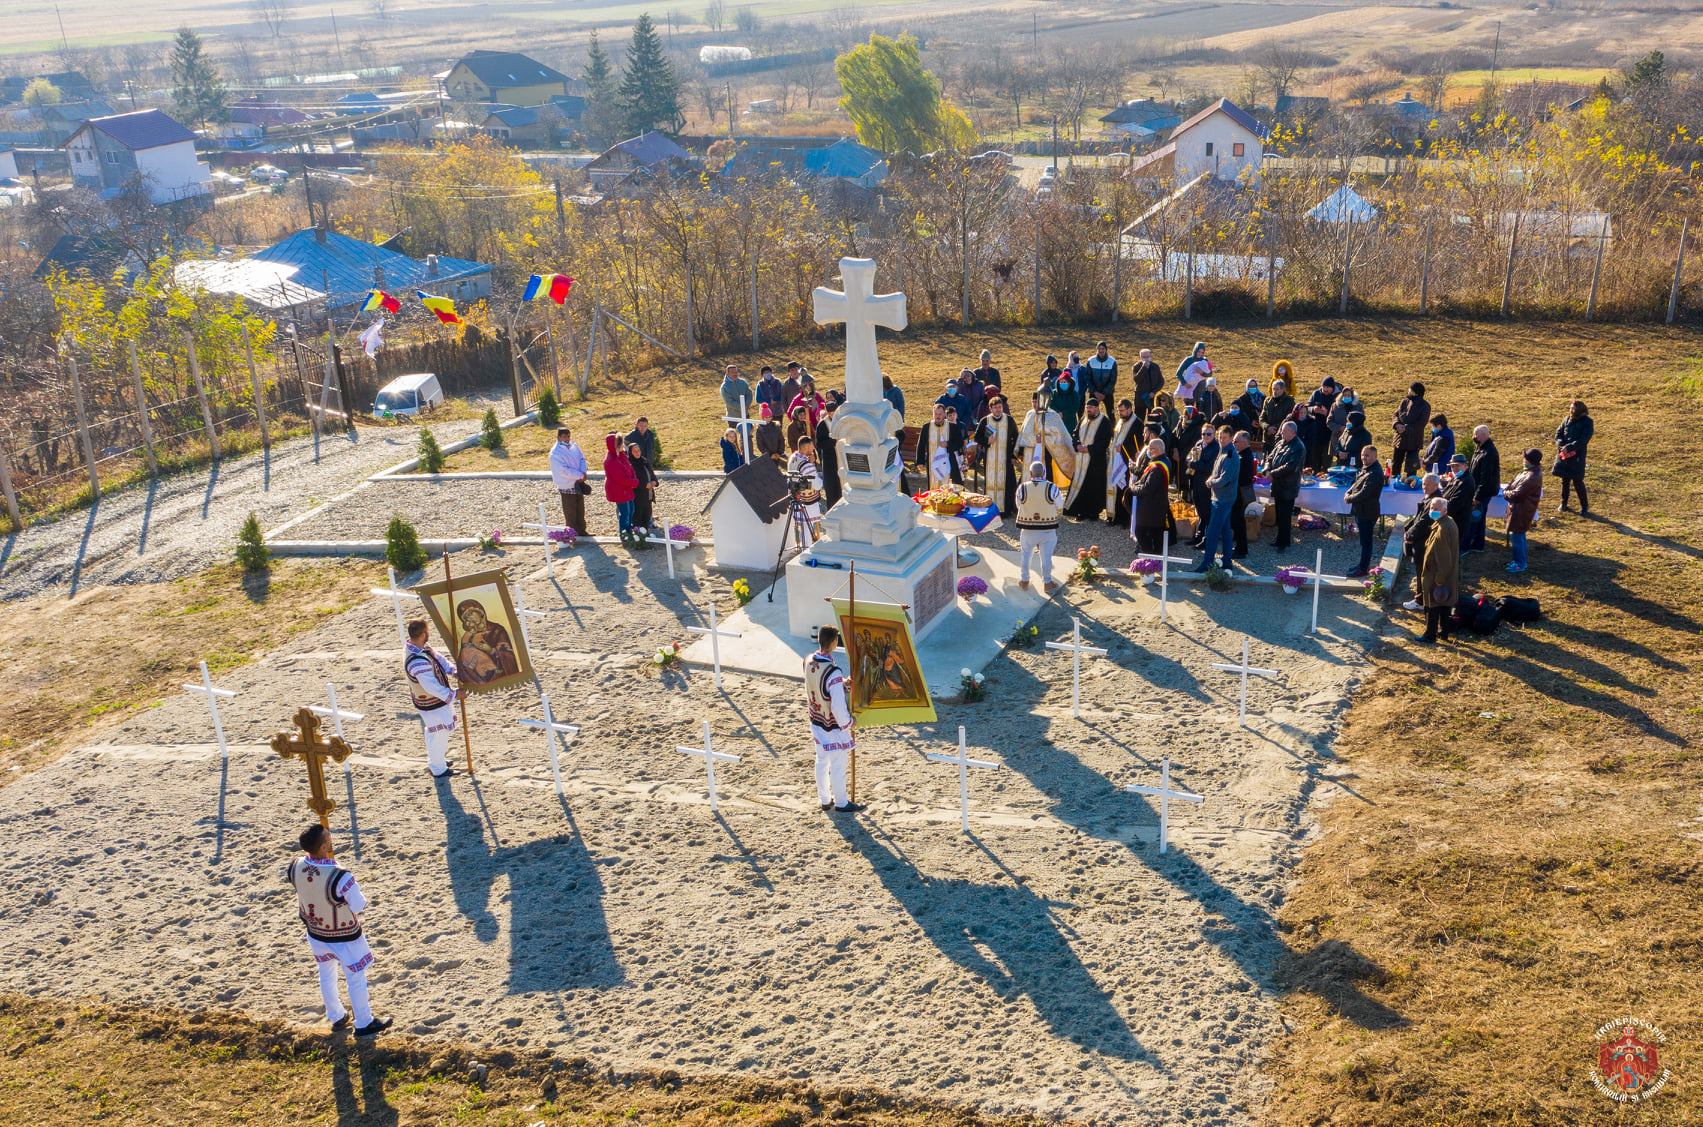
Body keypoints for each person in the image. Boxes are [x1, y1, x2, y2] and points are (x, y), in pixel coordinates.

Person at [286, 824, 392, 1037]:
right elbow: (358, 905)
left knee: (326, 974)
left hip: (316, 931)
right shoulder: (340, 875)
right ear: (324, 847)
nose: (331, 838)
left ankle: (336, 1016)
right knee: (355, 977)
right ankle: (363, 1022)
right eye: (328, 837)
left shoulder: (294, 866)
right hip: (344, 935)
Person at [806, 626, 859, 813]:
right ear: (834, 642)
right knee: (837, 764)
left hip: (816, 719)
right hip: (831, 725)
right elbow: (837, 705)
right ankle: (841, 803)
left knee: (821, 761)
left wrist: (842, 683)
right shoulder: (833, 671)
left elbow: (820, 684)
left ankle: (825, 799)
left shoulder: (808, 661)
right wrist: (849, 722)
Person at [404, 617, 460, 778]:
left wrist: (452, 670)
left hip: (434, 701)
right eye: (427, 632)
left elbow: (438, 659)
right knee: (440, 733)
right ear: (422, 634)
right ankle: (438, 768)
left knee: (434, 732)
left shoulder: (420, 647)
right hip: (431, 703)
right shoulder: (417, 662)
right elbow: (431, 686)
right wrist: (454, 694)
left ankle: (437, 759)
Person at [1195, 426, 1240, 572]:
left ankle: (1207, 563)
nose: (1221, 439)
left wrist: (1210, 482)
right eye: (1220, 436)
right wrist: (1212, 479)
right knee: (1226, 530)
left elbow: (1224, 479)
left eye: (1224, 437)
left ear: (1231, 438)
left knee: (1212, 532)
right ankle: (1227, 561)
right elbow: (1217, 472)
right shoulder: (1223, 451)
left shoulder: (1230, 455)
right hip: (1219, 497)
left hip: (1223, 499)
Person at [1015, 460, 1063, 592]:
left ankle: (1024, 580)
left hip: (1027, 528)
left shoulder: (1022, 487)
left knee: (1026, 555)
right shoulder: (1052, 487)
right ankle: (1047, 582)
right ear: (1043, 473)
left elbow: (1019, 505)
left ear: (1030, 473)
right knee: (1046, 557)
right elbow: (1060, 505)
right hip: (1047, 528)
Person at [1419, 497, 1460, 643]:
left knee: (1433, 605)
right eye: (1431, 508)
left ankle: (1430, 635)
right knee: (1444, 604)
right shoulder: (1447, 522)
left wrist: (1439, 579)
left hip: (1437, 574)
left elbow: (1444, 558)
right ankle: (1443, 632)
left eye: (1436, 509)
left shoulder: (1443, 529)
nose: (1432, 511)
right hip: (1445, 574)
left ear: (1444, 510)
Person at [1400, 473, 1444, 610]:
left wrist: (1409, 534)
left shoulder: (1435, 501)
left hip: (1424, 541)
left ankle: (1420, 600)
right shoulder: (1430, 497)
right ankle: (1423, 598)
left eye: (1428, 484)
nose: (1425, 487)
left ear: (1436, 485)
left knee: (1422, 572)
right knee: (1423, 572)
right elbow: (1419, 518)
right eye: (1424, 484)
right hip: (1423, 539)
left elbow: (1424, 522)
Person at [1064, 397, 1113, 520]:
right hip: (1081, 460)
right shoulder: (1083, 419)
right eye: (1087, 408)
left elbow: (1105, 442)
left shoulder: (1104, 422)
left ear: (1097, 408)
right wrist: (1077, 445)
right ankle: (1080, 511)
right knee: (1081, 487)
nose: (1088, 410)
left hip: (1095, 462)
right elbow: (1075, 434)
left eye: (1090, 408)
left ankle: (1093, 512)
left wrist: (1089, 449)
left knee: (1093, 487)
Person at [973, 394, 1021, 515]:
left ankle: (1006, 510)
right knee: (990, 483)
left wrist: (1014, 456)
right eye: (995, 408)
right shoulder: (985, 421)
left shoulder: (1009, 420)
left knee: (1008, 483)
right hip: (990, 459)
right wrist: (987, 441)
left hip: (1006, 459)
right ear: (990, 409)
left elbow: (1016, 438)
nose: (998, 410)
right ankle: (990, 509)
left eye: (1000, 407)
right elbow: (977, 437)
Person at [1344, 444, 1387, 576]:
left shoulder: (1375, 473)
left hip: (1368, 512)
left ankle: (1363, 568)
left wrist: (1349, 498)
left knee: (1366, 542)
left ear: (1375, 456)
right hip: (1362, 510)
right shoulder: (1367, 468)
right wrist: (1349, 491)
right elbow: (1356, 483)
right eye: (1362, 454)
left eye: (1367, 455)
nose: (1363, 457)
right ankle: (1362, 565)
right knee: (1364, 541)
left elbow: (1365, 493)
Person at [1018, 389, 1076, 486]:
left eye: (1037, 402)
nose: (1035, 404)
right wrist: (1020, 450)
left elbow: (1059, 435)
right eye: (1033, 402)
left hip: (1047, 450)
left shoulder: (1052, 415)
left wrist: (1044, 439)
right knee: (1027, 473)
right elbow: (1024, 433)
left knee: (1047, 472)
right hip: (1030, 451)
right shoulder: (1030, 414)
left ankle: (1048, 490)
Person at [1265, 420, 1305, 550]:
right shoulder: (1281, 443)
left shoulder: (1298, 447)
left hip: (1288, 486)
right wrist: (1267, 469)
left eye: (1284, 431)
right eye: (1281, 430)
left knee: (1285, 515)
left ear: (1293, 433)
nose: (1281, 433)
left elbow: (1290, 467)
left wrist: (1272, 474)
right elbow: (1270, 457)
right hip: (1278, 484)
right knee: (1279, 513)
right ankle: (1280, 539)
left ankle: (1284, 542)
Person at [1504, 448, 1544, 573]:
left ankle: (1520, 563)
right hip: (1518, 509)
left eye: (1525, 458)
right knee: (1519, 536)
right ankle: (1519, 560)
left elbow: (1517, 495)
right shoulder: (1527, 472)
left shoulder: (1532, 476)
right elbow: (1512, 484)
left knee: (1517, 538)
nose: (1523, 460)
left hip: (1522, 511)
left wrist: (1505, 493)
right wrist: (1508, 490)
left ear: (1530, 460)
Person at [1130, 438, 1172, 554]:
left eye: (1150, 449)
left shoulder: (1157, 468)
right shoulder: (1165, 460)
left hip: (1150, 507)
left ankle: (1149, 556)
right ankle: (1155, 557)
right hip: (1157, 505)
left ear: (1155, 450)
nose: (1148, 451)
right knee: (1156, 534)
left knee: (1141, 532)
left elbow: (1147, 489)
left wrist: (1133, 488)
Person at [1553, 398, 1594, 514]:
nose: (1571, 410)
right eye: (1570, 408)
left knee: (1578, 481)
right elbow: (1558, 433)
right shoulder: (1567, 419)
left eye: (1573, 408)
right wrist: (1560, 443)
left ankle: (1584, 507)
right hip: (1564, 455)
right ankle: (1563, 503)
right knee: (1564, 480)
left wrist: (1570, 447)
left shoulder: (1587, 422)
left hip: (1577, 457)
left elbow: (1583, 440)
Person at [1106, 398, 1143, 526]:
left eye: (1122, 411)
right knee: (1116, 488)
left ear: (1129, 409)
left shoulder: (1137, 424)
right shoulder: (1121, 421)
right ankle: (1114, 516)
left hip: (1127, 463)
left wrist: (1122, 449)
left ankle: (1126, 519)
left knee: (1125, 490)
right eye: (1118, 411)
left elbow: (1139, 446)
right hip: (1116, 461)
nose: (1120, 413)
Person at [1464, 424, 1500, 552]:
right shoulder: (1480, 448)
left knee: (1475, 517)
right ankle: (1478, 544)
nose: (1473, 437)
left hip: (1484, 491)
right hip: (1479, 489)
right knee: (1479, 517)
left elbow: (1486, 478)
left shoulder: (1489, 452)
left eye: (1476, 434)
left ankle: (1469, 545)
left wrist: (1477, 497)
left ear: (1484, 435)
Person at [548, 426, 588, 536]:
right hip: (566, 484)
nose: (567, 439)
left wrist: (583, 473)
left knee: (580, 508)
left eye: (568, 436)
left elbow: (582, 459)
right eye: (564, 436)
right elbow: (563, 470)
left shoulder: (574, 446)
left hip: (578, 482)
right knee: (570, 510)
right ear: (559, 437)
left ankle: (582, 531)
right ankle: (572, 534)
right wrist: (580, 475)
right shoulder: (555, 452)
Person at [1184, 426, 1220, 547]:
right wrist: (1191, 462)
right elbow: (1188, 457)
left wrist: (1193, 464)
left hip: (1206, 484)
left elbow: (1209, 467)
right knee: (1199, 511)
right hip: (1195, 482)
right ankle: (1198, 536)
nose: (1206, 436)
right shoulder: (1199, 444)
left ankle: (1206, 539)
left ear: (1214, 434)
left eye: (1209, 434)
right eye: (1203, 434)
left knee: (1207, 512)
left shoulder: (1216, 448)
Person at [916, 403, 965, 488]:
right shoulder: (927, 427)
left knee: (948, 488)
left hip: (949, 462)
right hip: (932, 462)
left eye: (940, 414)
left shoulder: (952, 427)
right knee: (933, 487)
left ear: (944, 414)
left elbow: (959, 443)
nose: (937, 416)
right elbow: (921, 445)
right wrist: (920, 461)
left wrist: (948, 444)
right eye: (935, 414)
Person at [603, 433, 639, 541]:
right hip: (618, 490)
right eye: (619, 443)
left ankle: (628, 529)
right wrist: (633, 483)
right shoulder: (611, 460)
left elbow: (630, 468)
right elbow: (620, 479)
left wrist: (634, 479)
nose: (621, 445)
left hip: (626, 488)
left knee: (631, 510)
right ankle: (624, 533)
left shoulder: (621, 455)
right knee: (624, 513)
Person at [787, 437, 825, 540]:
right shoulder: (806, 465)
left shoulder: (793, 458)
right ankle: (807, 548)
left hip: (796, 498)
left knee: (804, 529)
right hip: (808, 502)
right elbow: (817, 484)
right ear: (807, 446)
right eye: (812, 445)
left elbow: (803, 475)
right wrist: (811, 466)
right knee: (807, 529)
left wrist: (810, 463)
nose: (813, 448)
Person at [1391, 381, 1431, 476]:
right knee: (1396, 464)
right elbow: (1396, 414)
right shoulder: (1404, 401)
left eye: (1410, 389)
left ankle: (1410, 483)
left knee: (1411, 467)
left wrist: (1405, 428)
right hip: (1400, 439)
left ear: (1414, 392)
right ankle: (1394, 481)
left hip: (1414, 441)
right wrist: (1396, 424)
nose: (1408, 390)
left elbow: (1421, 424)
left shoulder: (1425, 406)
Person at [1231, 430, 1256, 559]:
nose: (1234, 443)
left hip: (1241, 493)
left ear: (1245, 442)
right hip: (1240, 492)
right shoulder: (1242, 454)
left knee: (1238, 522)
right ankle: (1239, 547)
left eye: (1236, 441)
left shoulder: (1244, 457)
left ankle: (1241, 550)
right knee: (1237, 521)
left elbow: (1240, 477)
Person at [1442, 453, 1475, 545]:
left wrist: (1440, 506)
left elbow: (1455, 505)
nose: (1454, 468)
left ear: (1465, 466)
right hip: (1452, 519)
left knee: (1452, 547)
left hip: (1457, 521)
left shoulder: (1466, 481)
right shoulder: (1457, 477)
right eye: (1452, 466)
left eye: (1457, 465)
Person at [815, 397, 842, 509]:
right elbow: (819, 444)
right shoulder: (822, 424)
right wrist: (832, 441)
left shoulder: (841, 421)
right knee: (832, 485)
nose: (832, 414)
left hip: (841, 456)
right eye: (830, 412)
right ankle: (832, 508)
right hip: (829, 458)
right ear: (827, 412)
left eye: (834, 412)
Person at [628, 440, 658, 536]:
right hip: (638, 495)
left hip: (648, 494)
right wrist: (644, 485)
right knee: (638, 515)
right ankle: (638, 536)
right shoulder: (630, 464)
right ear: (630, 453)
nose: (637, 453)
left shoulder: (644, 460)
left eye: (638, 450)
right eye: (635, 451)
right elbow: (632, 480)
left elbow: (651, 474)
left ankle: (645, 533)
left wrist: (654, 482)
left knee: (647, 514)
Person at [1048, 363, 1083, 436]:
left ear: (1069, 383)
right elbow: (1051, 404)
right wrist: (1057, 412)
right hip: (1056, 421)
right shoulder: (1054, 393)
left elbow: (1075, 407)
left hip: (1070, 422)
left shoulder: (1074, 394)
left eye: (1065, 382)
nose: (1062, 383)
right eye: (1061, 382)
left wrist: (1063, 414)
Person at [1259, 378, 1294, 448]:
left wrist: (1274, 428)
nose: (1274, 391)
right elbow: (1262, 418)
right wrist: (1267, 427)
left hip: (1281, 438)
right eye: (1273, 389)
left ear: (1283, 389)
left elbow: (1289, 419)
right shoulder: (1267, 401)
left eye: (1277, 389)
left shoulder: (1289, 401)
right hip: (1267, 438)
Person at [1083, 340, 1118, 405]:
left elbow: (1113, 379)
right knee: (1091, 410)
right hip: (1094, 393)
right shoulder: (1091, 361)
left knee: (1110, 411)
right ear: (1097, 349)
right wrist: (1095, 392)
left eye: (1103, 349)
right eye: (1099, 349)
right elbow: (1087, 378)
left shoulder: (1112, 361)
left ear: (1106, 349)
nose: (1101, 350)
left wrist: (1104, 393)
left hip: (1108, 393)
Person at [1130, 347, 1163, 414]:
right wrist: (1144, 367)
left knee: (1154, 417)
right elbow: (1136, 379)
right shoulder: (1136, 367)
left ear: (1151, 357)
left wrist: (1154, 392)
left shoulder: (1155, 366)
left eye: (1147, 357)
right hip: (1141, 397)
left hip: (1154, 397)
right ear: (1140, 357)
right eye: (1143, 357)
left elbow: (1161, 381)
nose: (1146, 359)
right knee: (1139, 417)